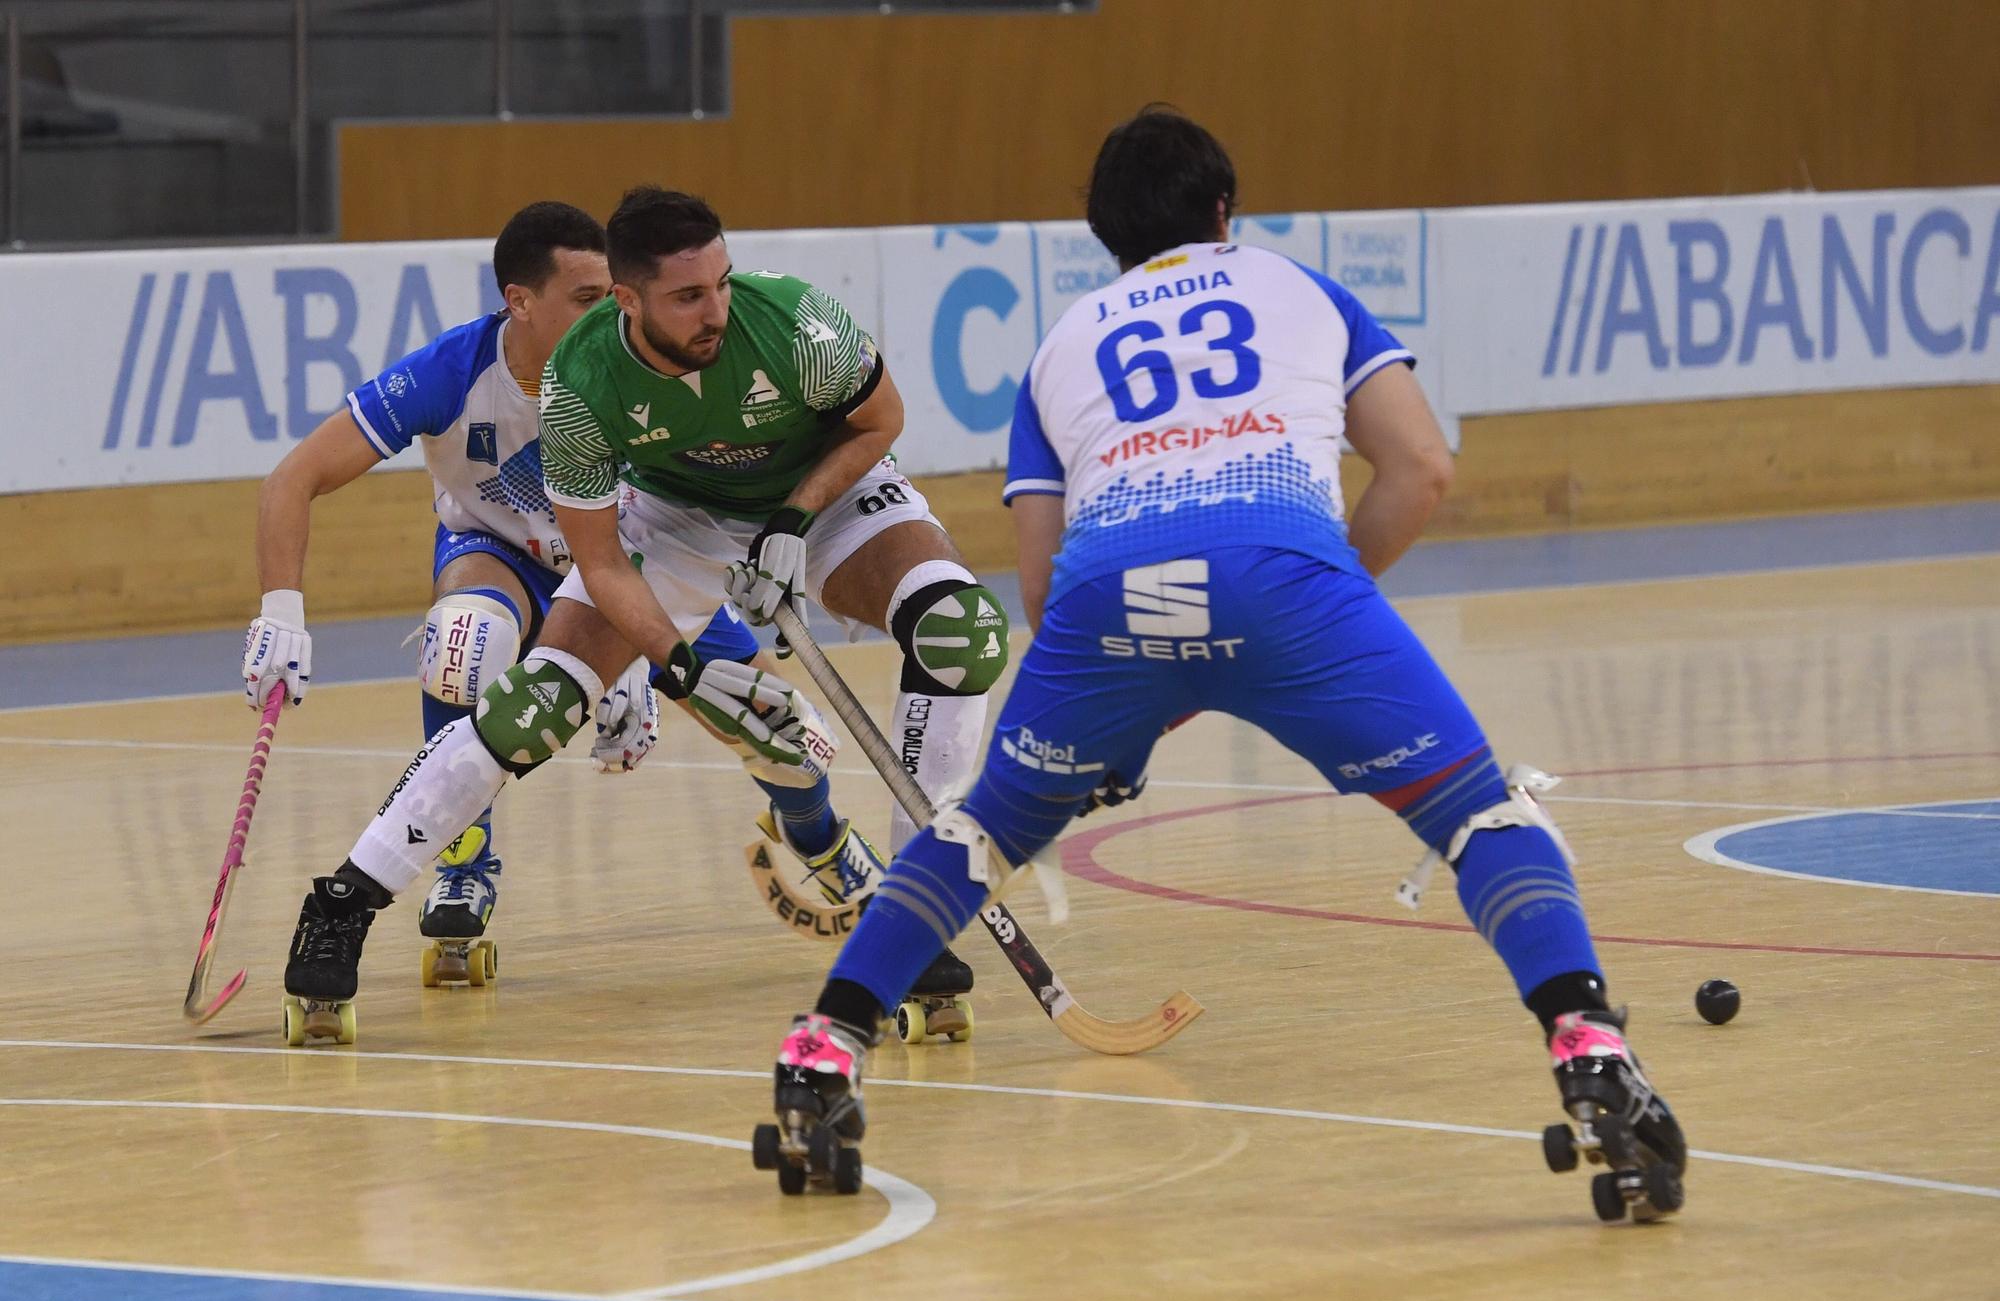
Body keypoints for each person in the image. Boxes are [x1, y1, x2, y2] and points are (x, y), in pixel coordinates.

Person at [757, 108, 1687, 1219]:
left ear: (1100, 235)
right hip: (1288, 574)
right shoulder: (1298, 288)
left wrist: (1129, 713)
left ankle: (822, 1050)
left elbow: (1045, 593)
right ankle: (1587, 1047)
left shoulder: (1062, 343)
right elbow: (1420, 467)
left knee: (977, 832)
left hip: (1106, 604)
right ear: (1224, 210)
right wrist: (1317, 598)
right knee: (1480, 816)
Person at [279, 187, 1011, 1040]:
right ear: (627, 300)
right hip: (674, 519)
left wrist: (793, 518)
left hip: (828, 495)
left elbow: (879, 421)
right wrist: (683, 668)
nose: (717, 312)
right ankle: (344, 901)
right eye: (689, 297)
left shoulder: (800, 325)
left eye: (723, 284)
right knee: (536, 704)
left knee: (961, 632)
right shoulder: (580, 382)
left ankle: (910, 919)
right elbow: (596, 562)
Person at [249, 200, 761, 997]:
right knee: (462, 641)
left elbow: (675, 519)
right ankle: (462, 862)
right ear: (520, 301)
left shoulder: (642, 369)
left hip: (627, 566)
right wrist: (280, 610)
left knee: (763, 715)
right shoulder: (451, 374)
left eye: (615, 295)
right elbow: (295, 476)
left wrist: (626, 665)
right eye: (589, 298)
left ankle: (825, 844)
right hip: (498, 555)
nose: (611, 313)